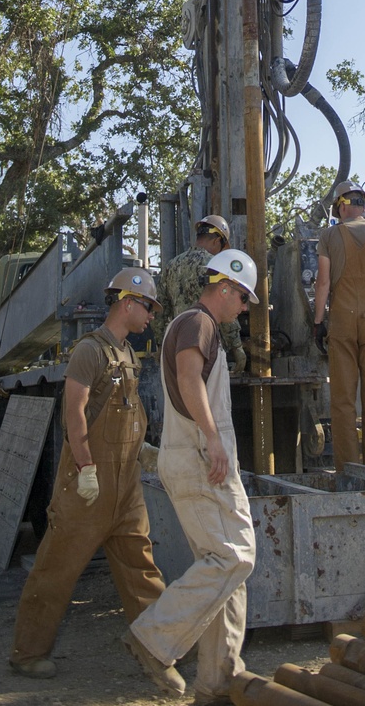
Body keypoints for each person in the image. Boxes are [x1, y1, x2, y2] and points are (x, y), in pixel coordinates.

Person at [9, 268, 165, 679]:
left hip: (125, 488)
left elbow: (127, 416)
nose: (150, 315)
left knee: (142, 573)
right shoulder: (89, 351)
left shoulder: (129, 355)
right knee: (56, 570)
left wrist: (143, 450)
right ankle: (27, 654)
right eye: (147, 306)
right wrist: (86, 469)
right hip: (88, 488)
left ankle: (162, 649)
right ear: (127, 302)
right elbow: (73, 415)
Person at [125, 249, 258, 704]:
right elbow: (188, 379)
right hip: (202, 458)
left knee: (226, 569)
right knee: (236, 557)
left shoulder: (199, 328)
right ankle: (154, 639)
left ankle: (218, 681)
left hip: (197, 455)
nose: (244, 308)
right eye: (243, 298)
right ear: (225, 287)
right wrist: (213, 439)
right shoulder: (197, 323)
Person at [313, 180, 365, 473]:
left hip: (342, 321)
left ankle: (348, 470)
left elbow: (322, 282)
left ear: (343, 205)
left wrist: (318, 322)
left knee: (343, 400)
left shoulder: (329, 236)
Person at [157, 214, 246, 374]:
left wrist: (161, 345)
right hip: (209, 346)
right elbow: (224, 306)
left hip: (179, 349)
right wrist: (237, 349)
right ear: (217, 240)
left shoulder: (171, 266)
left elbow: (160, 313)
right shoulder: (215, 267)